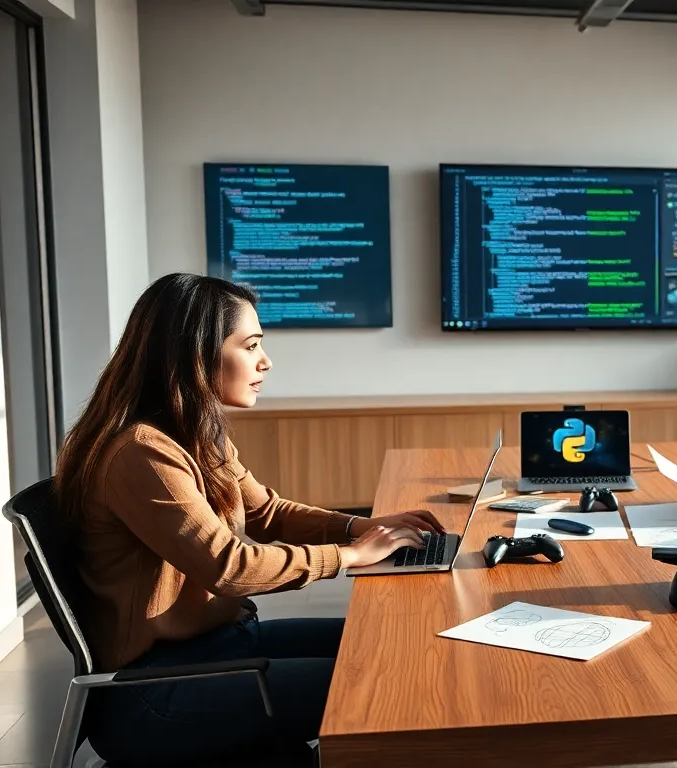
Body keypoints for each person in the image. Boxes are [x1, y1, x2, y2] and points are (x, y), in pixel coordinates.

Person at [54, 273, 440, 766]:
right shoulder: (141, 453)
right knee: (378, 683)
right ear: (194, 354)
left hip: (217, 646)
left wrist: (359, 526)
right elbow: (229, 567)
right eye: (251, 345)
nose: (265, 361)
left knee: (394, 646)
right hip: (155, 692)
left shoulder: (194, 434)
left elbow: (267, 512)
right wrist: (349, 557)